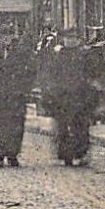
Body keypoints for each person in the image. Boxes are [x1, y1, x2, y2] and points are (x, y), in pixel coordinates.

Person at [39, 32, 98, 167]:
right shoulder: (58, 55)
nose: (70, 41)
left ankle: (81, 153)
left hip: (80, 96)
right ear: (64, 40)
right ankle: (66, 155)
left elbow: (91, 73)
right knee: (63, 127)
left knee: (81, 126)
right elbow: (50, 74)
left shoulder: (84, 55)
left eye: (73, 38)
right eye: (68, 38)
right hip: (63, 98)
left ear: (78, 40)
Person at [0, 29, 33, 167]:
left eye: (8, 36)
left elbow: (30, 71)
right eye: (3, 36)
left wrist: (24, 88)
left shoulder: (20, 54)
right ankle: (0, 153)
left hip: (15, 96)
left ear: (12, 37)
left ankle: (13, 154)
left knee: (15, 126)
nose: (6, 39)